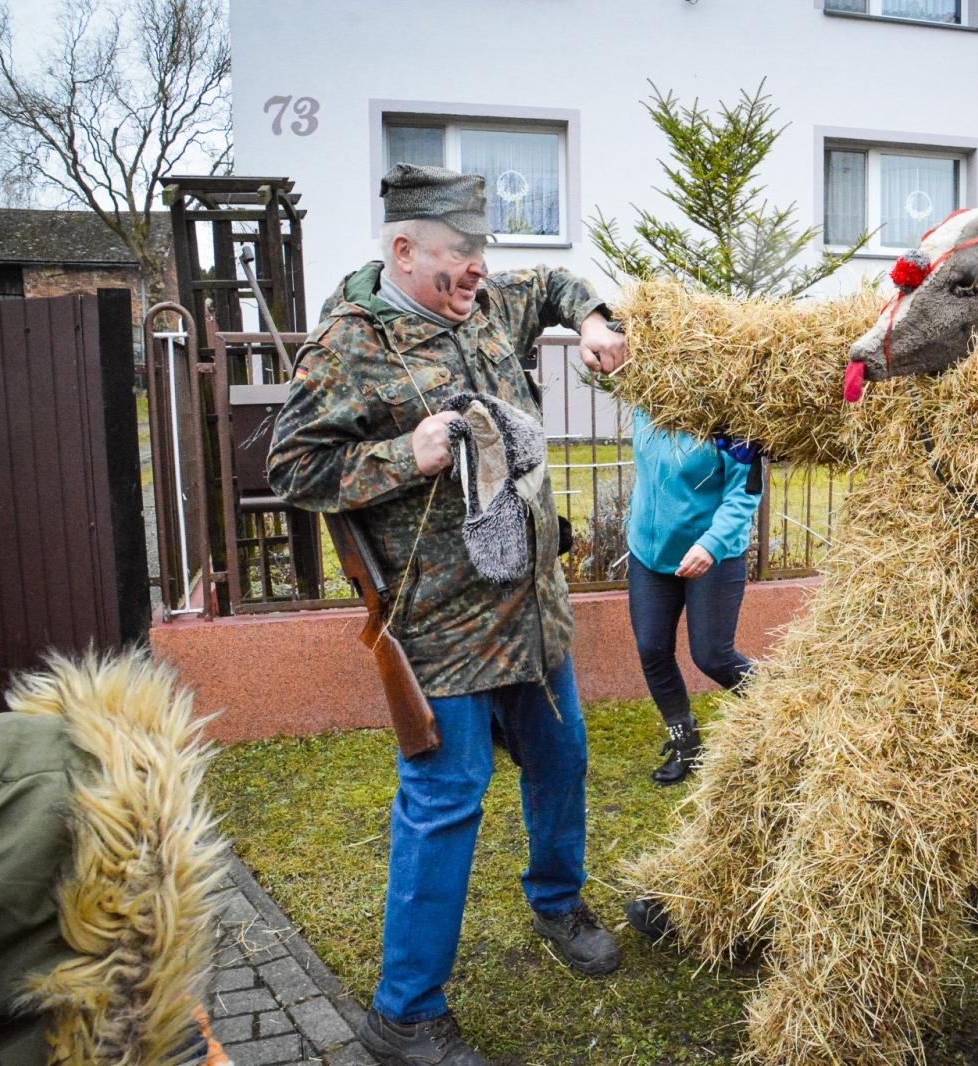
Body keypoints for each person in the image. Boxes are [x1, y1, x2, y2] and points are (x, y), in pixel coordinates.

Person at [267, 164, 630, 1066]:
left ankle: (557, 903)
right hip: (442, 625)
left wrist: (592, 319)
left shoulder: (489, 304)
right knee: (444, 801)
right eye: (460, 256)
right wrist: (406, 453)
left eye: (481, 254)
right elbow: (291, 468)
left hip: (532, 608)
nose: (478, 272)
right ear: (403, 250)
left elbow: (553, 283)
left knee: (563, 759)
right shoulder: (349, 345)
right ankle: (405, 1012)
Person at [625, 410, 760, 784]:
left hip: (712, 555)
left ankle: (788, 708)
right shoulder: (648, 406)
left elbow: (745, 493)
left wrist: (711, 544)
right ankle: (685, 742)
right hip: (649, 553)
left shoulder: (731, 422)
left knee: (713, 656)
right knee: (652, 649)